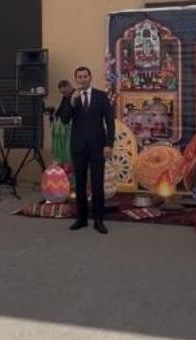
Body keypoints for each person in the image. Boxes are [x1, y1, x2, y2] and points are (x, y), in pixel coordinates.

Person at [60, 66, 115, 234]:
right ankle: (81, 219)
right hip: (78, 146)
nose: (82, 79)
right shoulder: (70, 97)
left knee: (97, 184)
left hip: (98, 146)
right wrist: (71, 103)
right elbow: (64, 120)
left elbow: (110, 121)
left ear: (90, 78)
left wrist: (109, 144)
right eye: (79, 77)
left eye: (85, 76)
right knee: (80, 183)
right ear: (76, 79)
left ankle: (99, 220)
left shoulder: (101, 96)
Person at [52, 80, 74, 166]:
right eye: (62, 93)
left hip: (72, 128)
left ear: (69, 86)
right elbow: (60, 108)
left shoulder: (75, 96)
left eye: (64, 92)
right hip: (65, 125)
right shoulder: (65, 97)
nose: (64, 94)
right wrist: (55, 115)